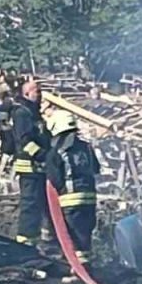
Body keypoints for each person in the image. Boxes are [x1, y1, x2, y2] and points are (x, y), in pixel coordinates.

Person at [45, 109, 99, 263]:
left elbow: (54, 179)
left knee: (71, 238)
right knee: (85, 235)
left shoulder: (55, 152)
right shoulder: (87, 147)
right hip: (89, 198)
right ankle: (86, 266)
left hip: (69, 201)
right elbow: (95, 168)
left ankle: (77, 270)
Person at [10, 80, 51, 245]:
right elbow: (25, 141)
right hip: (29, 166)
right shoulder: (22, 113)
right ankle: (24, 241)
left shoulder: (34, 113)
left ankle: (44, 240)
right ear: (27, 94)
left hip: (39, 167)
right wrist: (43, 155)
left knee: (43, 204)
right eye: (37, 92)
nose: (40, 95)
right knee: (30, 203)